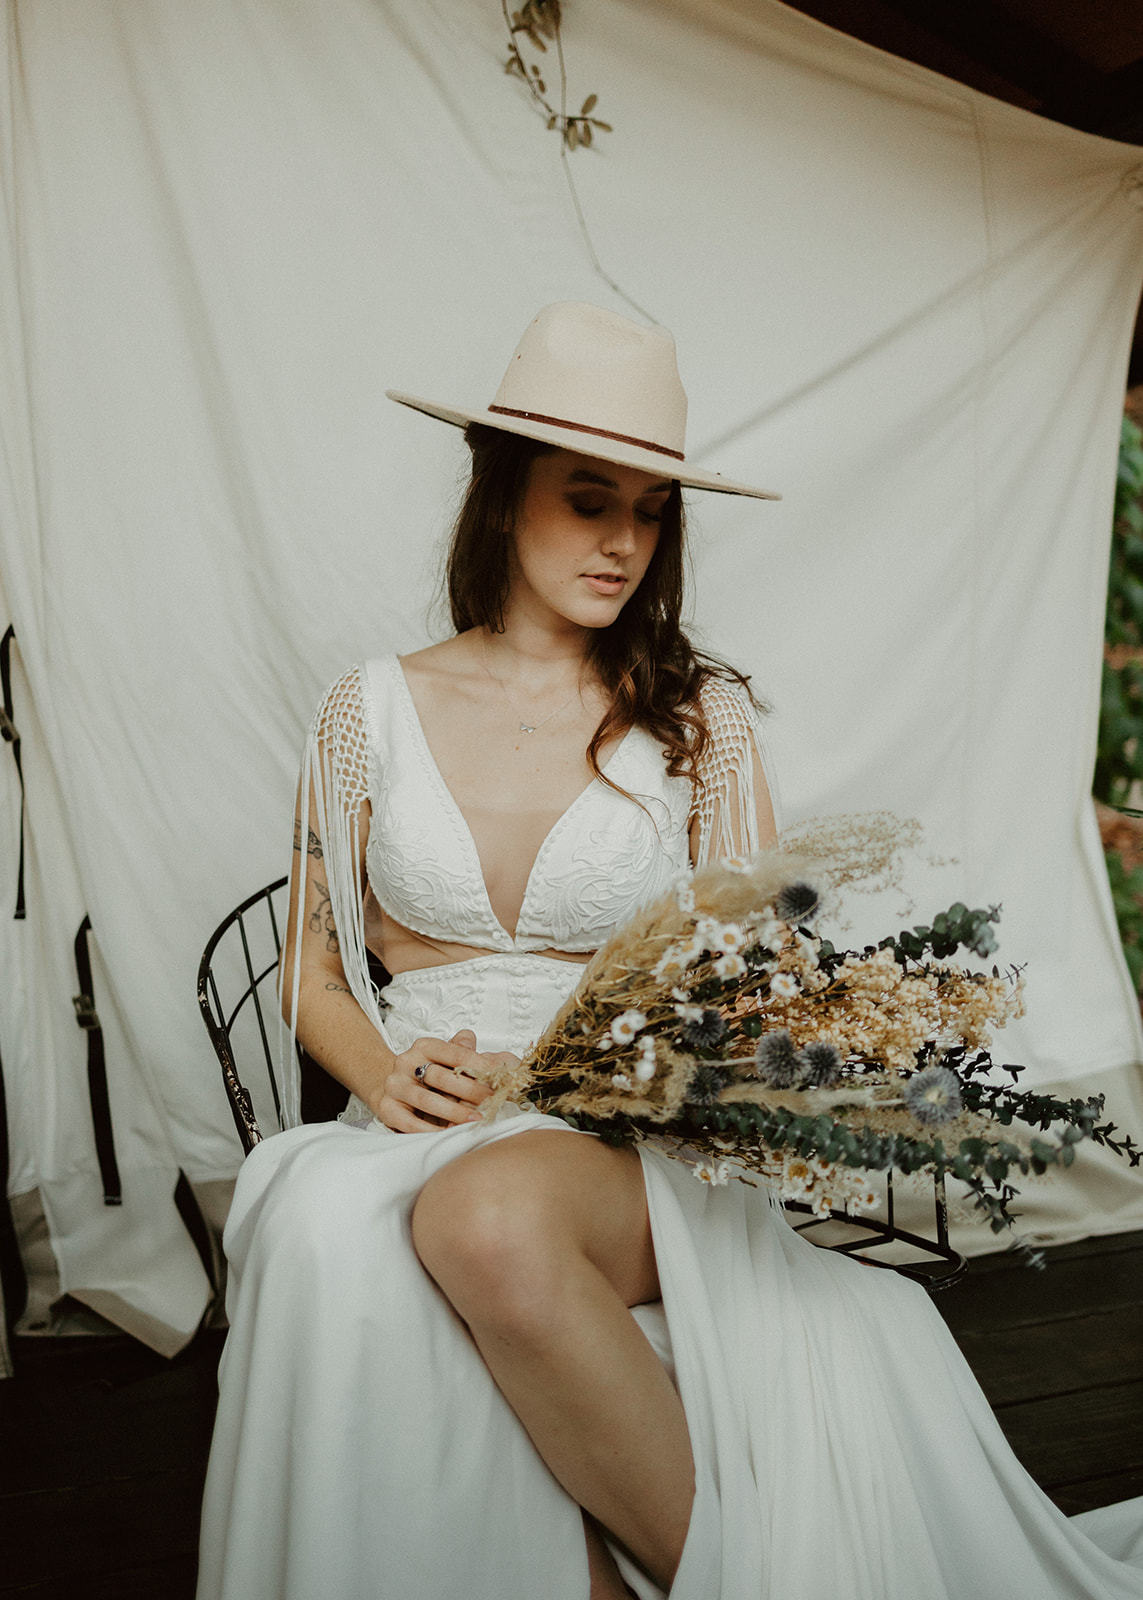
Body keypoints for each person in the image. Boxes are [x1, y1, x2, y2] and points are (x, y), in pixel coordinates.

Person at [196, 302, 1143, 1600]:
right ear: (500, 492)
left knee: (485, 1215)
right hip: (419, 1111)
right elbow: (310, 969)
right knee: (321, 1226)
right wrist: (382, 1076)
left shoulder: (701, 722)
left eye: (651, 509)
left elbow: (744, 996)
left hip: (617, 1140)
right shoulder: (366, 709)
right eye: (591, 499)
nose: (626, 539)